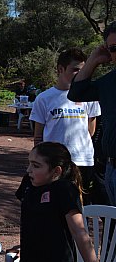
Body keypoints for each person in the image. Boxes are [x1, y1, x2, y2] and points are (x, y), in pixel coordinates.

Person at [29, 48, 101, 201]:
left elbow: (91, 130)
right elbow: (38, 136)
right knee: (55, 207)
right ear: (61, 69)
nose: (80, 74)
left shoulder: (90, 96)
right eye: (75, 69)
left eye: (82, 70)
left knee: (81, 206)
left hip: (83, 160)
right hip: (55, 164)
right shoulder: (44, 98)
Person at [68, 22, 116, 205]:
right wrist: (93, 60)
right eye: (114, 48)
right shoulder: (109, 82)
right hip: (111, 168)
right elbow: (76, 93)